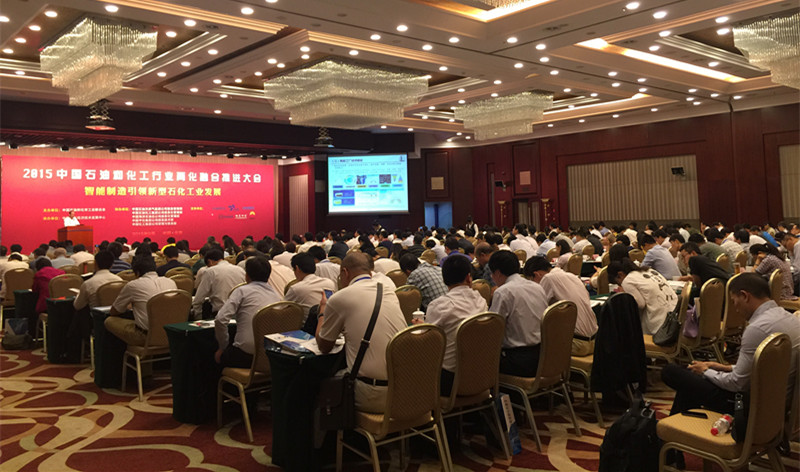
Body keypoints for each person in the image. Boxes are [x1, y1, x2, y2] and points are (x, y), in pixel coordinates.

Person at [660, 273, 800, 467]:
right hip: (777, 406)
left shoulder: (757, 328)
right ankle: (671, 450)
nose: (735, 308)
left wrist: (705, 371)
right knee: (690, 386)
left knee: (672, 372)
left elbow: (736, 383)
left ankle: (668, 448)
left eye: (734, 302)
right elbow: (768, 368)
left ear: (745, 296)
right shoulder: (790, 318)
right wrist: (723, 367)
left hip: (749, 410)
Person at [315, 253, 407, 413]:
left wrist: (322, 312)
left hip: (373, 394)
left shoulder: (339, 298)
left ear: (345, 272)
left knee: (320, 388)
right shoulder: (387, 290)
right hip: (404, 389)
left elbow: (324, 346)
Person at [423, 253, 488, 396]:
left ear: (444, 280)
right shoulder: (481, 301)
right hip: (484, 374)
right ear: (469, 277)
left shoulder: (439, 306)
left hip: (451, 381)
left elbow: (427, 344)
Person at [214, 256, 282, 368]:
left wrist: (223, 346)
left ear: (247, 275)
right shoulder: (276, 295)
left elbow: (220, 319)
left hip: (244, 355)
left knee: (214, 356)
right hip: (270, 356)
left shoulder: (242, 291)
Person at [488, 250, 548, 377]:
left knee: (477, 360)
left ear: (497, 273)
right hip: (543, 355)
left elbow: (493, 331)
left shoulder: (503, 292)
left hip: (519, 361)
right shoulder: (537, 287)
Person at [524, 256, 598, 356]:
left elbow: (536, 311)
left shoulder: (547, 278)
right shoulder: (572, 276)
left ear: (536, 274)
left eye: (531, 280)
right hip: (595, 341)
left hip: (576, 344)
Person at [105, 255, 177, 346]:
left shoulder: (133, 285)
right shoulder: (170, 281)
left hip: (146, 336)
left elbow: (115, 311)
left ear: (137, 272)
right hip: (171, 335)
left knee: (109, 321)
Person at [608, 258, 678, 335]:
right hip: (676, 317)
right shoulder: (649, 270)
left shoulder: (627, 280)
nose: (620, 286)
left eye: (618, 283)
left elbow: (640, 304)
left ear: (620, 274)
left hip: (661, 325)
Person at [192, 248, 246, 320]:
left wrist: (197, 316)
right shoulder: (240, 270)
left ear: (210, 262)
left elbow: (199, 298)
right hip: (242, 313)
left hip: (220, 314)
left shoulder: (210, 271)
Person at [285, 253, 336, 322]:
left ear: (297, 268)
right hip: (330, 322)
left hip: (308, 326)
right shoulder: (329, 283)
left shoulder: (296, 288)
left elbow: (281, 308)